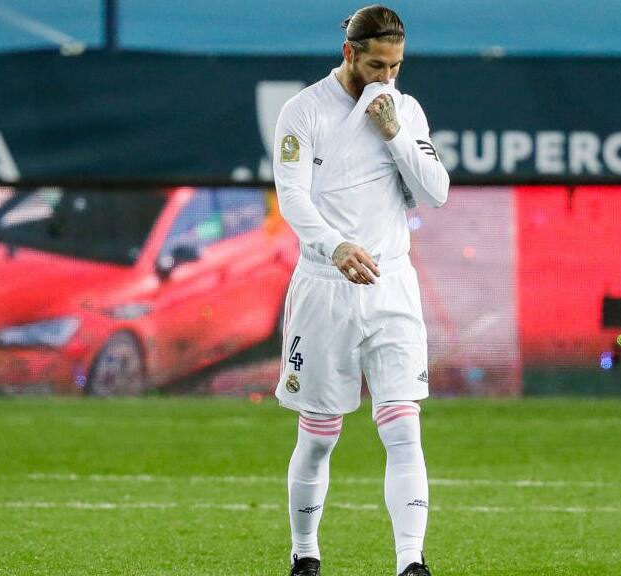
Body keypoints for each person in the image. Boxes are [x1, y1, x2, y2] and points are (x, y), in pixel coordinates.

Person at [273, 5, 449, 576]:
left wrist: (396, 133)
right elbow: (293, 198)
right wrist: (335, 247)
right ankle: (305, 553)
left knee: (402, 425)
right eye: (378, 65)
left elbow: (437, 191)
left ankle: (410, 562)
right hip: (326, 288)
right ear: (350, 53)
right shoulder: (304, 111)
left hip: (392, 285)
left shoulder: (405, 109)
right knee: (321, 435)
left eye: (396, 67)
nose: (388, 78)